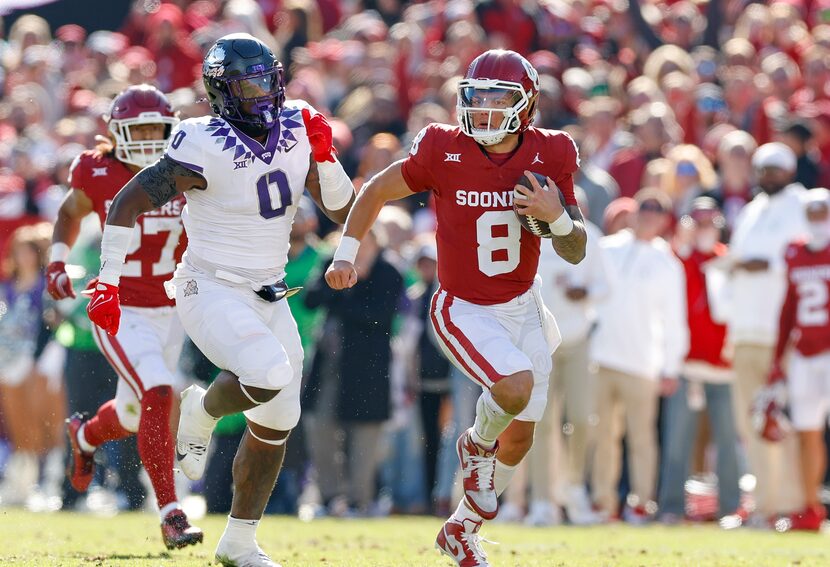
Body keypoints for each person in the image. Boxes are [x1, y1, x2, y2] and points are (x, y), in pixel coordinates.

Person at [84, 33, 355, 567]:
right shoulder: (200, 138)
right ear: (220, 91)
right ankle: (201, 412)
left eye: (266, 80)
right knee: (268, 373)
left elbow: (342, 209)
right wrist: (108, 279)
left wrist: (326, 157)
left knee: (278, 419)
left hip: (269, 292)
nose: (261, 93)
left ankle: (238, 542)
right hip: (208, 285)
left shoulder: (300, 123)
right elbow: (126, 202)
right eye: (247, 83)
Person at [326, 49, 587, 566]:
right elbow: (377, 188)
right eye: (477, 97)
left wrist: (557, 217)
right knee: (513, 389)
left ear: (527, 105)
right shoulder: (444, 146)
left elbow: (575, 249)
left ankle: (461, 530)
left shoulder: (552, 153)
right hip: (462, 305)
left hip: (524, 305)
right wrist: (346, 253)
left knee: (519, 440)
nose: (485, 110)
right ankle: (474, 444)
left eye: (499, 99)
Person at [46, 84, 201, 548]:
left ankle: (86, 434)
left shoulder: (186, 168)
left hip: (171, 308)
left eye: (159, 130)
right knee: (157, 392)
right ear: (117, 134)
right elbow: (69, 212)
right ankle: (171, 512)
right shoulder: (97, 171)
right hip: (118, 306)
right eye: (141, 131)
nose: (152, 141)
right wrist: (57, 260)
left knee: (136, 414)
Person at [590, 189, 689, 523]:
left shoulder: (668, 263)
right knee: (603, 438)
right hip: (601, 356)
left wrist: (670, 367)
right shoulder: (606, 248)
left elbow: (675, 321)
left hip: (643, 363)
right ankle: (603, 503)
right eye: (644, 206)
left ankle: (641, 503)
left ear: (664, 219)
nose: (649, 213)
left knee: (642, 441)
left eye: (656, 209)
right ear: (632, 212)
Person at [722, 142, 808, 523]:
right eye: (763, 169)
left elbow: (808, 258)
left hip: (781, 332)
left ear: (790, 170)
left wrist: (767, 264)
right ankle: (764, 503)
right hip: (745, 330)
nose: (768, 175)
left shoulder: (804, 207)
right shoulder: (752, 210)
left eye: (775, 169)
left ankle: (790, 504)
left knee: (782, 418)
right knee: (750, 422)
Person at [658, 198, 741, 524]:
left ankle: (731, 508)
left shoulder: (728, 260)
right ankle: (671, 507)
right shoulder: (680, 259)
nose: (705, 228)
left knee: (727, 443)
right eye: (699, 221)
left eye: (710, 221)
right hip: (688, 366)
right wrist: (684, 237)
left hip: (723, 368)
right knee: (677, 439)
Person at [762, 189, 830, 531]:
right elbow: (788, 308)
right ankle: (811, 506)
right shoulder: (794, 251)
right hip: (804, 354)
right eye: (813, 213)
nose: (818, 219)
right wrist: (777, 358)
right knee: (807, 432)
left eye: (823, 212)